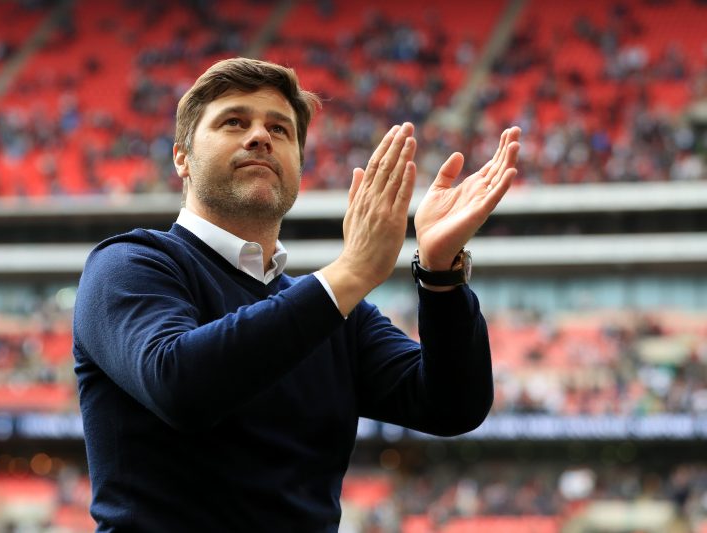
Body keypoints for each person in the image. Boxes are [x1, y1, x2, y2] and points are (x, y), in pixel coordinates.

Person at [73, 57, 521, 532]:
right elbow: (179, 385)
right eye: (234, 122)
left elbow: (453, 407)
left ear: (299, 166)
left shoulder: (338, 314)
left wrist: (440, 273)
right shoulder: (129, 265)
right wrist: (351, 272)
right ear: (182, 157)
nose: (260, 136)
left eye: (280, 129)